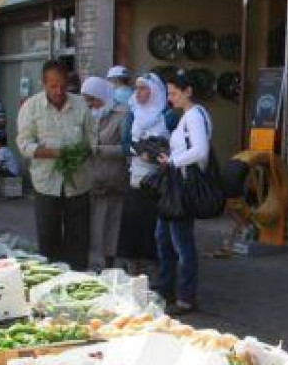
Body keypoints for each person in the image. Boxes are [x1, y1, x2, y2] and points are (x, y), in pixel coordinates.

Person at [17, 60, 94, 270]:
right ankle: (51, 284)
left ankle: (78, 279)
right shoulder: (30, 108)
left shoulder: (81, 105)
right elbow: (24, 145)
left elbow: (92, 140)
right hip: (46, 185)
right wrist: (54, 153)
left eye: (63, 85)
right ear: (44, 84)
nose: (59, 91)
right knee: (48, 241)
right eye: (53, 86)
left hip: (79, 184)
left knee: (79, 241)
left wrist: (82, 154)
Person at [155, 69, 213, 315]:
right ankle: (166, 289)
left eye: (174, 93)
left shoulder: (194, 116)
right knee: (164, 238)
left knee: (181, 243)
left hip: (183, 188)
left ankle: (186, 297)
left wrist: (172, 162)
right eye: (168, 93)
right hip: (176, 185)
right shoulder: (189, 115)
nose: (170, 98)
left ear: (188, 91)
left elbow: (200, 151)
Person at [118, 72, 177, 278]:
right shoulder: (133, 113)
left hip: (160, 180)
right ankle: (134, 267)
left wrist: (160, 153)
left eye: (143, 88)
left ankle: (157, 269)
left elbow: (176, 143)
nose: (139, 92)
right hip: (137, 178)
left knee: (155, 226)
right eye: (137, 88)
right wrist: (139, 151)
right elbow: (125, 143)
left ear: (155, 90)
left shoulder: (167, 116)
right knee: (134, 223)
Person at [81, 76, 129, 271]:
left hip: (113, 180)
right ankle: (94, 262)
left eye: (92, 99)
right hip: (92, 179)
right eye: (87, 100)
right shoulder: (87, 114)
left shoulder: (123, 113)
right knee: (93, 225)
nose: (90, 104)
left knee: (111, 224)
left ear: (102, 94)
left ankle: (110, 264)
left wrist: (100, 149)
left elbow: (128, 148)